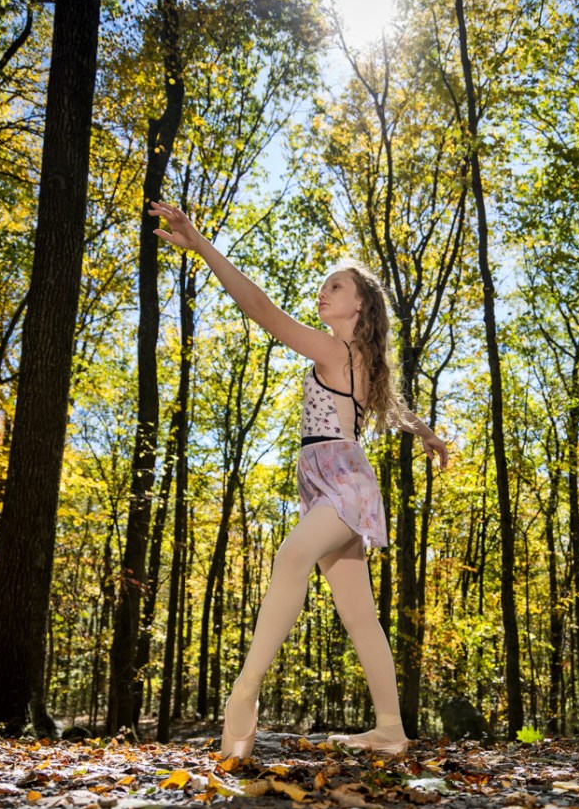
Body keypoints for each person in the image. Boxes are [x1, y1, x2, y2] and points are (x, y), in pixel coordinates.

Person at [150, 201, 449, 758]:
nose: (323, 292)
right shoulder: (362, 360)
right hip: (336, 482)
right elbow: (397, 409)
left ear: (360, 303)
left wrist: (202, 246)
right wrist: (426, 433)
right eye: (324, 286)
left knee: (290, 559)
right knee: (360, 615)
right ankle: (389, 729)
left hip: (343, 481)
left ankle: (245, 694)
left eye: (335, 287)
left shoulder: (335, 350)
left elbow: (260, 308)